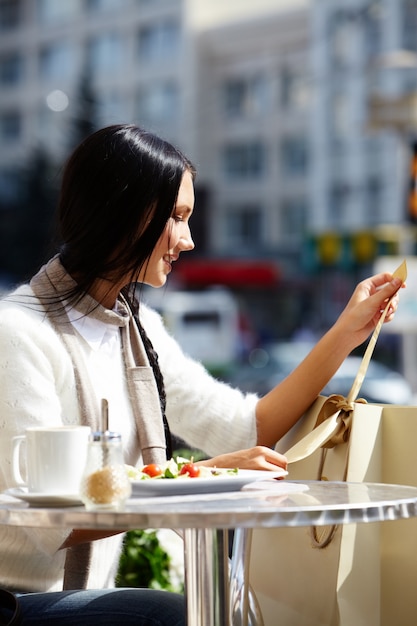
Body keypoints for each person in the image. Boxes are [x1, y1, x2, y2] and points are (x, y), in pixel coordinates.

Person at [0, 124, 403, 625]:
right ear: (126, 213)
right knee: (182, 617)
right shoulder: (17, 331)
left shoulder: (137, 328)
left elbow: (245, 428)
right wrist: (199, 478)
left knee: (230, 611)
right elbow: (47, 520)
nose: (188, 240)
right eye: (177, 217)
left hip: (80, 596)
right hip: (16, 602)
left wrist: (347, 332)